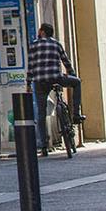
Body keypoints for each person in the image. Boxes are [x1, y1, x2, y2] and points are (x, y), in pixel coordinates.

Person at [26, 23, 83, 154]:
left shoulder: (34, 45)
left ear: (42, 32)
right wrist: (72, 74)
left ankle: (44, 145)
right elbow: (66, 62)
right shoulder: (57, 44)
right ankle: (76, 114)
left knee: (41, 113)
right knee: (77, 82)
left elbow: (31, 66)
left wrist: (28, 83)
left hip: (40, 81)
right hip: (57, 78)